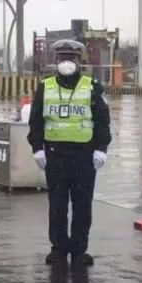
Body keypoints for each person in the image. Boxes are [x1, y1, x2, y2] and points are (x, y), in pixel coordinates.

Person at [27, 39, 111, 268]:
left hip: (84, 155)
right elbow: (35, 120)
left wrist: (101, 149)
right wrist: (37, 148)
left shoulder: (92, 86)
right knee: (57, 205)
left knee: (82, 205)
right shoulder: (46, 87)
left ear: (79, 61)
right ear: (55, 61)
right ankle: (58, 249)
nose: (66, 63)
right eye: (62, 58)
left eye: (71, 58)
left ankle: (79, 249)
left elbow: (102, 120)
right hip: (55, 155)